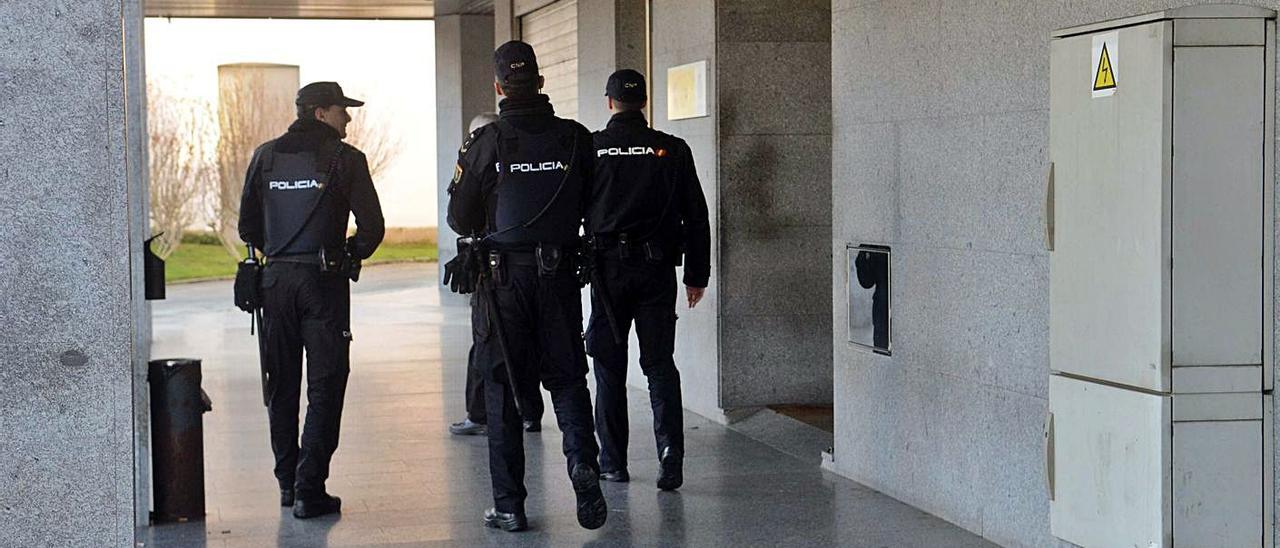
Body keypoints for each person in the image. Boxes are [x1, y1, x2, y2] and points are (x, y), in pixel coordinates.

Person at [444, 41, 606, 532]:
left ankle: (510, 506)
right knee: (568, 380)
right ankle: (582, 462)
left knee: (503, 389)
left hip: (503, 282)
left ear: (498, 88)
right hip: (558, 279)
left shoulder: (486, 142)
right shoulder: (577, 139)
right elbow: (596, 209)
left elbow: (459, 217)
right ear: (540, 82)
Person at [238, 81, 384, 519]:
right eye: (343, 109)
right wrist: (347, 254)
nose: (349, 117)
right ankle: (309, 486)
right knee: (326, 384)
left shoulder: (265, 156)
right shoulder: (347, 160)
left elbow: (248, 227)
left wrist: (280, 253)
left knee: (280, 384)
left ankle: (287, 482)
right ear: (320, 112)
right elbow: (373, 228)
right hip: (323, 284)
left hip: (276, 283)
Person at [585, 69, 711, 491]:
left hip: (607, 274)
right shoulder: (672, 150)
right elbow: (696, 216)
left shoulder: (593, 149)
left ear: (609, 102)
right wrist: (696, 275)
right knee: (659, 365)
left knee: (608, 368)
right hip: (657, 272)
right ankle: (670, 455)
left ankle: (613, 462)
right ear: (644, 102)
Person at [449, 112, 544, 437]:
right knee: (527, 343)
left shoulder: (481, 164)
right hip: (536, 267)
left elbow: (461, 217)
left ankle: (479, 414)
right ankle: (530, 412)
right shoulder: (524, 161)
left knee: (485, 342)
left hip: (494, 269)